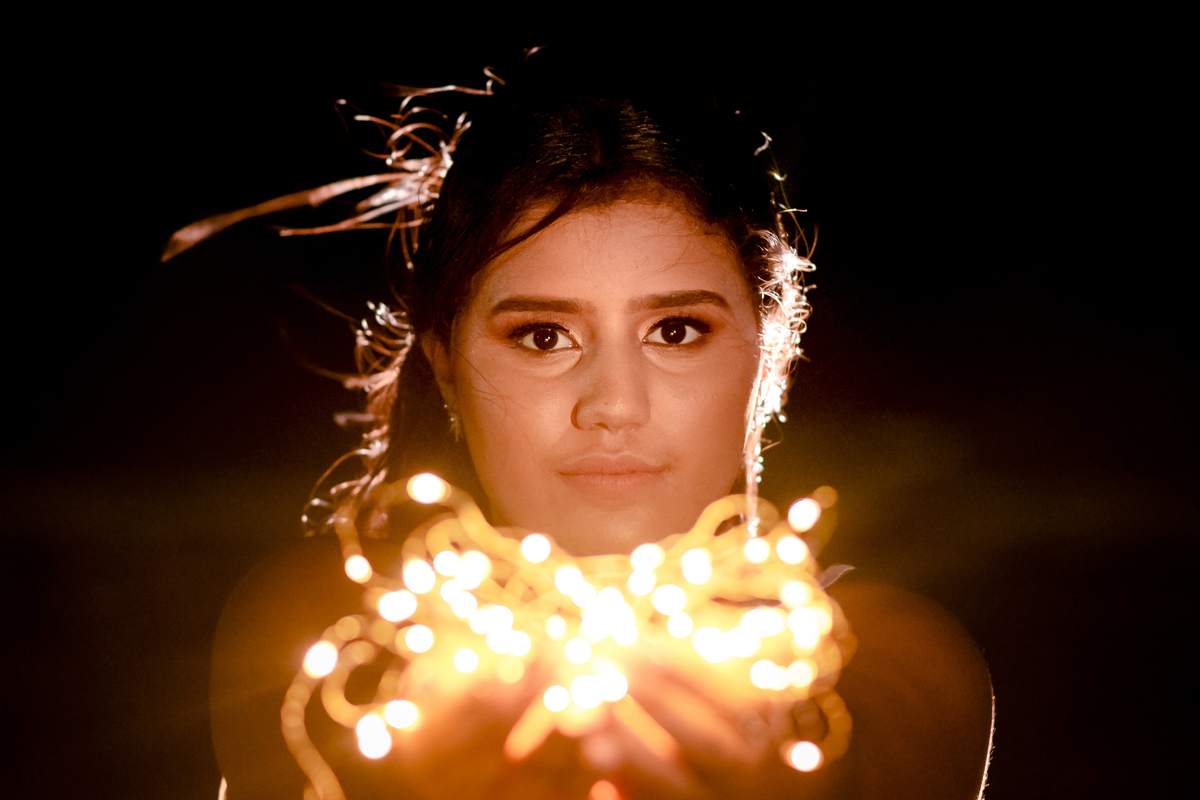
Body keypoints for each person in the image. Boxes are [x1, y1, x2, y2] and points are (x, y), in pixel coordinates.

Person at [196, 49, 994, 799]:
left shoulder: (883, 664)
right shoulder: (327, 648)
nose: (614, 404)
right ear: (443, 362)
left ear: (769, 356)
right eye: (544, 337)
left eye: (676, 331)